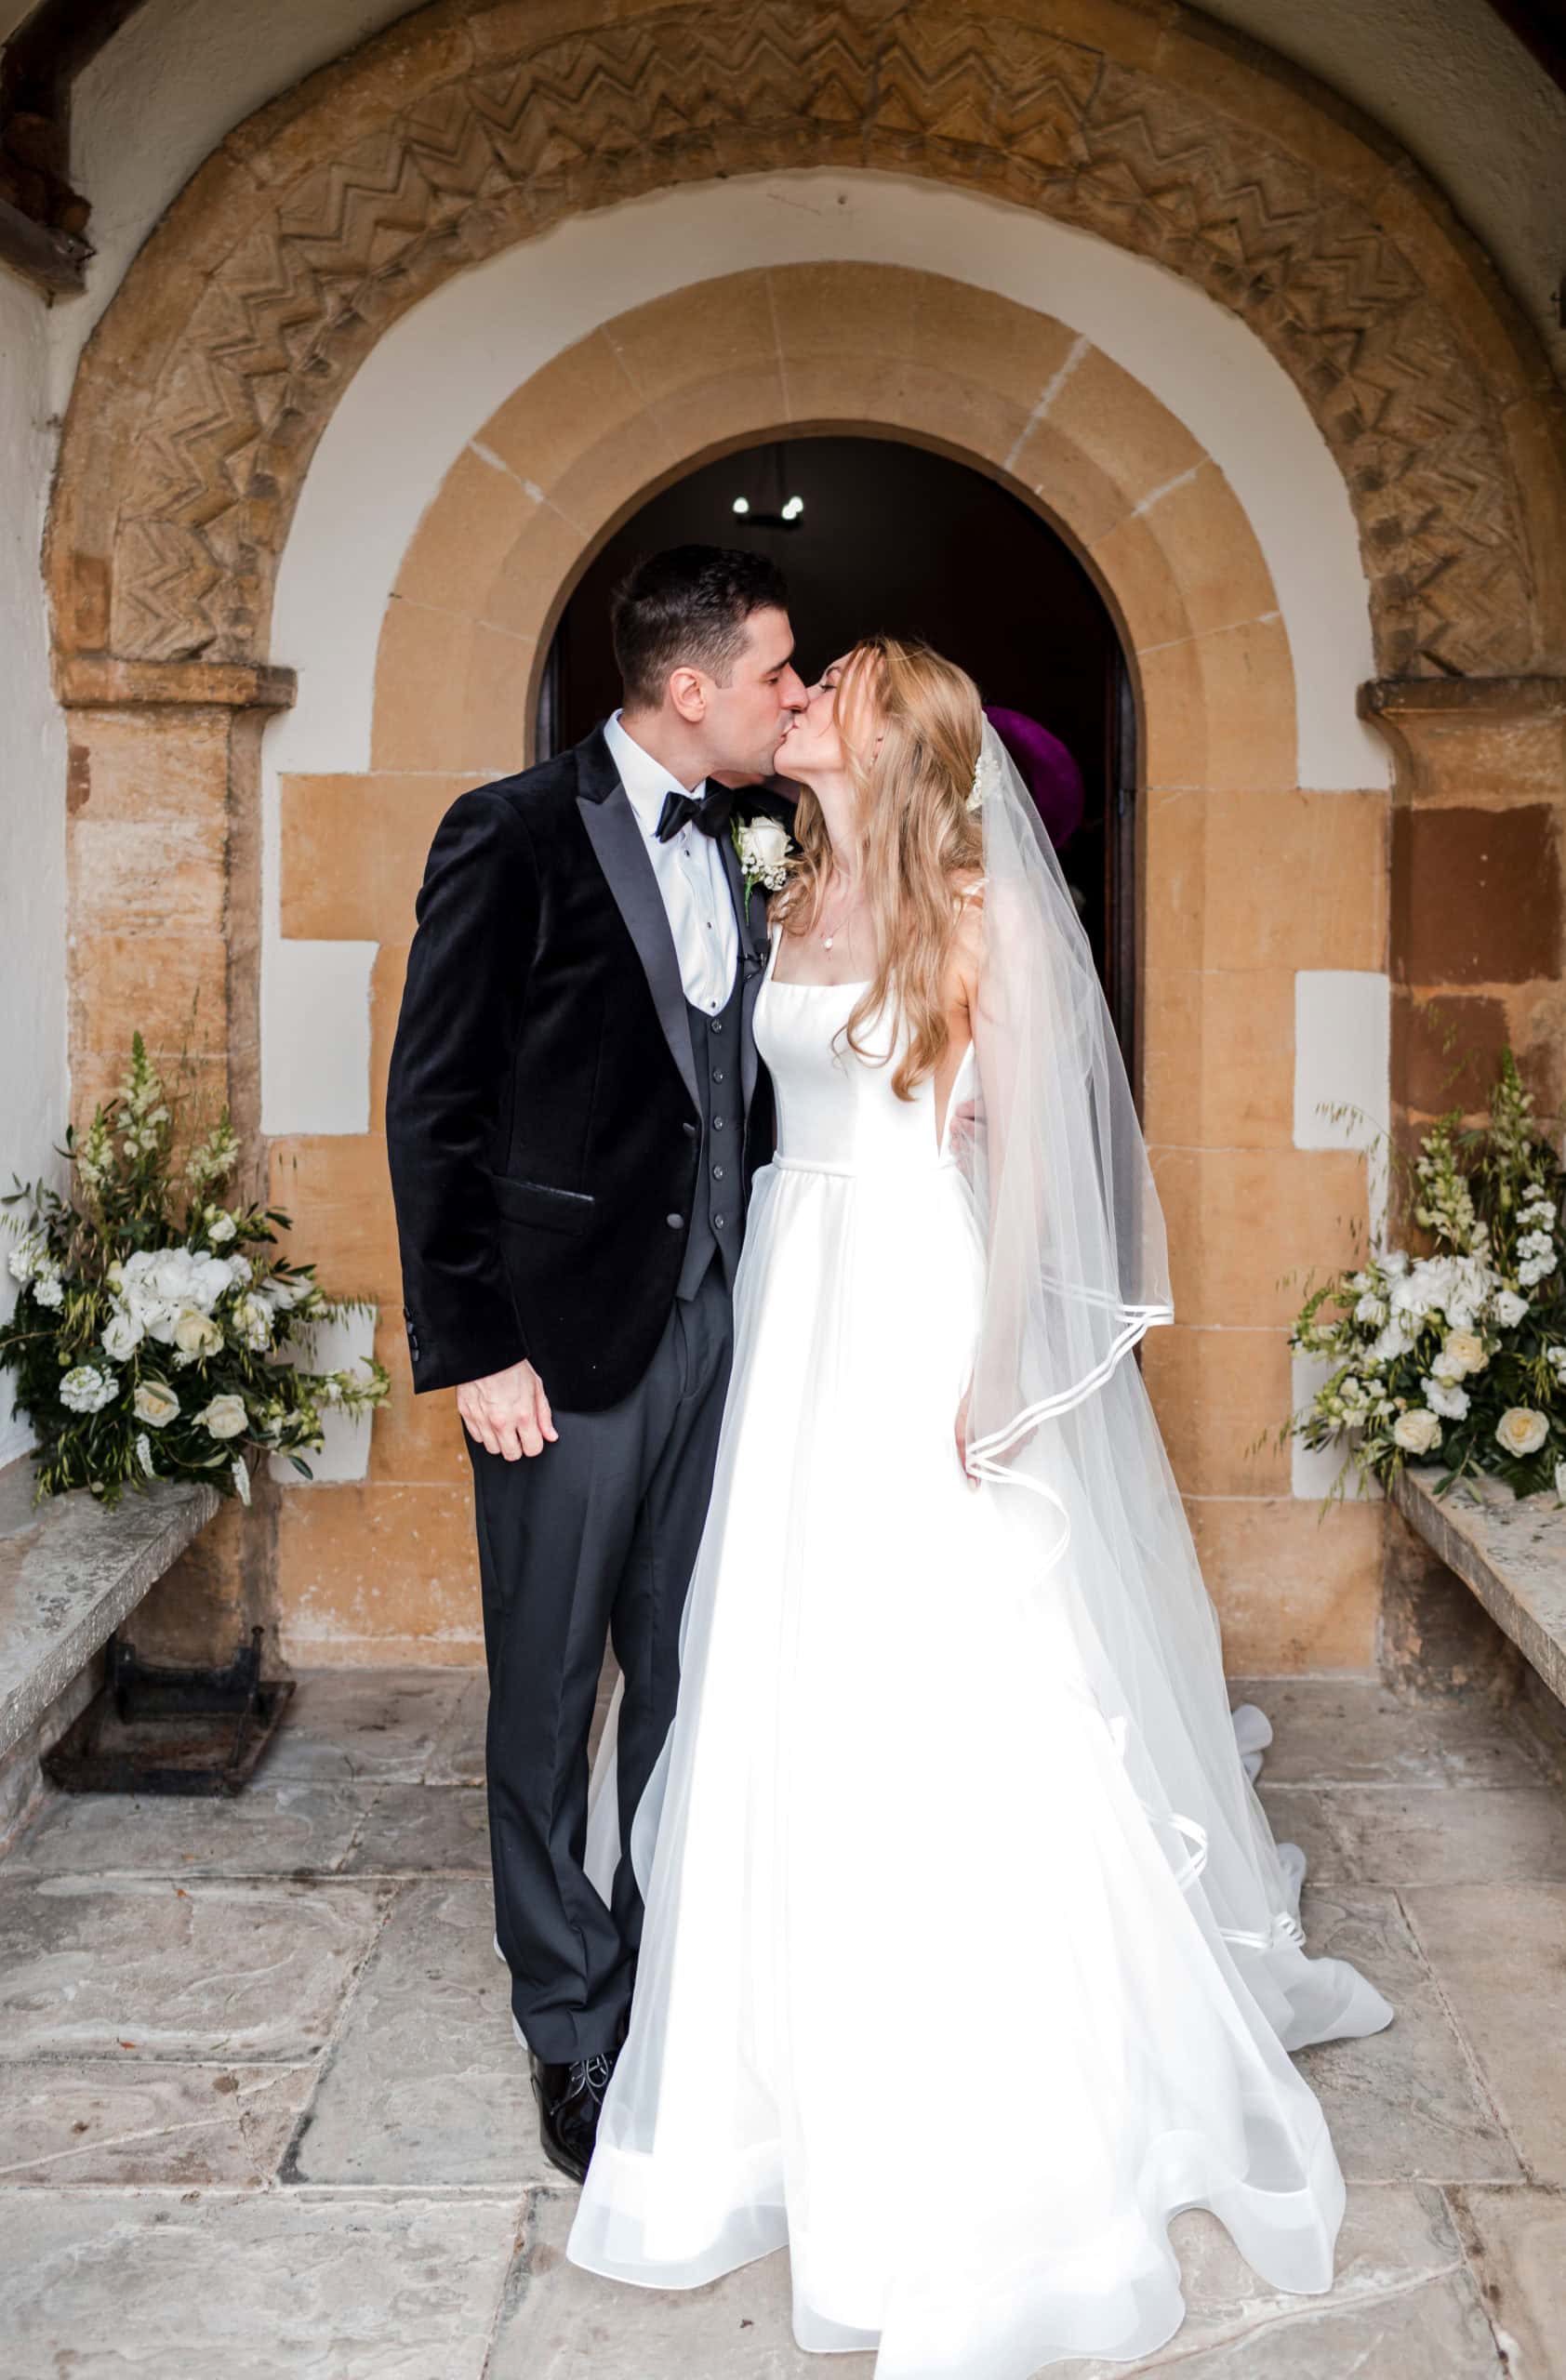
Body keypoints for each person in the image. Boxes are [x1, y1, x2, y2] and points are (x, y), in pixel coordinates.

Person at [565, 637, 1395, 2374]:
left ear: (895, 734)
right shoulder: (788, 889)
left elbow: (1032, 1177)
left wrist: (1000, 1375)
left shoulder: (979, 914)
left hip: (914, 1316)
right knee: (783, 1675)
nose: (799, 697)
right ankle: (772, 2077)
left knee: (940, 1679)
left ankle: (980, 2085)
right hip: (792, 1315)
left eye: (831, 683)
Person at [384, 547, 806, 2185]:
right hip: (555, 1351)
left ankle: (673, 1976)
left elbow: (736, 1086)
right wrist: (475, 1344)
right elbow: (437, 1108)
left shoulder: (767, 837)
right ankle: (571, 2027)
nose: (794, 693)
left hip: (720, 1318)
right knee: (553, 1695)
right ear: (689, 688)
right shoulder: (510, 829)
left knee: (692, 1666)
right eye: (777, 669)